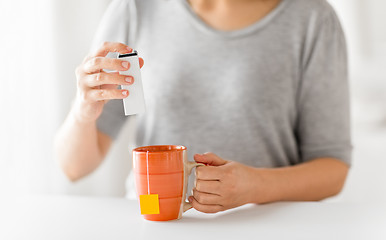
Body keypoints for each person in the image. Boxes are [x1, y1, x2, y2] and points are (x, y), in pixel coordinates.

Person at [54, 0, 352, 214]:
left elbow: (333, 169)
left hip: (265, 226)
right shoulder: (136, 9)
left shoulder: (313, 19)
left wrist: (255, 186)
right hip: (153, 224)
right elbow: (73, 168)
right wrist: (83, 111)